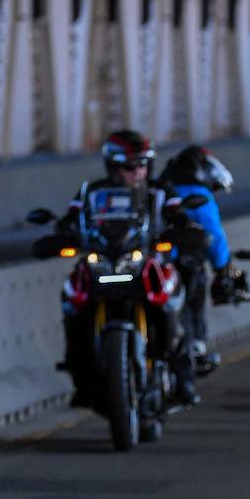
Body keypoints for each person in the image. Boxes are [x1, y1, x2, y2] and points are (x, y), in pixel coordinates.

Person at [57, 129, 197, 406]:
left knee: (174, 295)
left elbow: (178, 214)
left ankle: (184, 376)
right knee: (73, 297)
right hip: (103, 262)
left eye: (143, 165)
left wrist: (184, 228)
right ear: (113, 166)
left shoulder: (159, 192)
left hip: (147, 261)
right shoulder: (92, 192)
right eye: (130, 166)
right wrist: (62, 233)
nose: (138, 172)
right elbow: (70, 219)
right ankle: (82, 374)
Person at [156, 145, 245, 378]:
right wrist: (223, 268)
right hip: (181, 262)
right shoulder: (198, 194)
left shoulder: (159, 188)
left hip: (153, 263)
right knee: (191, 300)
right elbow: (213, 236)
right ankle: (195, 351)